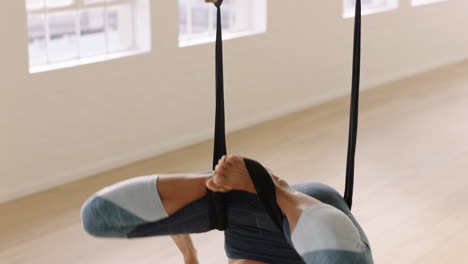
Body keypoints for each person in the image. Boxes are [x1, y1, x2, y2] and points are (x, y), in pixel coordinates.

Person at [81, 155, 373, 264]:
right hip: (304, 235)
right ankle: (275, 190)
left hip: (242, 231)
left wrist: (188, 252)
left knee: (95, 219)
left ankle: (216, 185)